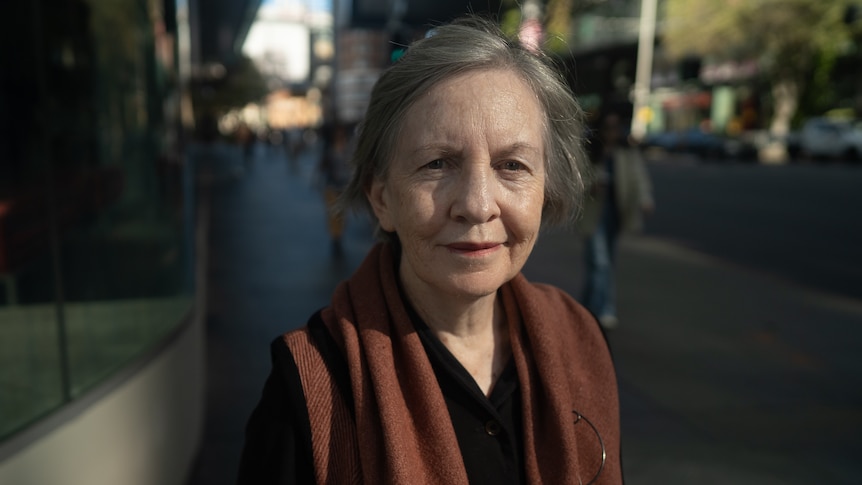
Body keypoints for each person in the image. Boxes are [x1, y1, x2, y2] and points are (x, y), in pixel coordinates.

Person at [238, 16, 622, 484]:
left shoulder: (579, 339)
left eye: (512, 165)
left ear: (547, 189)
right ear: (382, 198)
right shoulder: (310, 385)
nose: (478, 206)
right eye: (437, 163)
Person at [579, 109, 654, 330]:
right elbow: (575, 178)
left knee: (605, 263)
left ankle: (588, 308)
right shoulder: (590, 150)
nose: (611, 132)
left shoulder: (627, 152)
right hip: (593, 213)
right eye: (607, 127)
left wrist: (645, 199)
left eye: (615, 127)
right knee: (599, 262)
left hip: (616, 212)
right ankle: (598, 311)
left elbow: (639, 177)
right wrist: (591, 184)